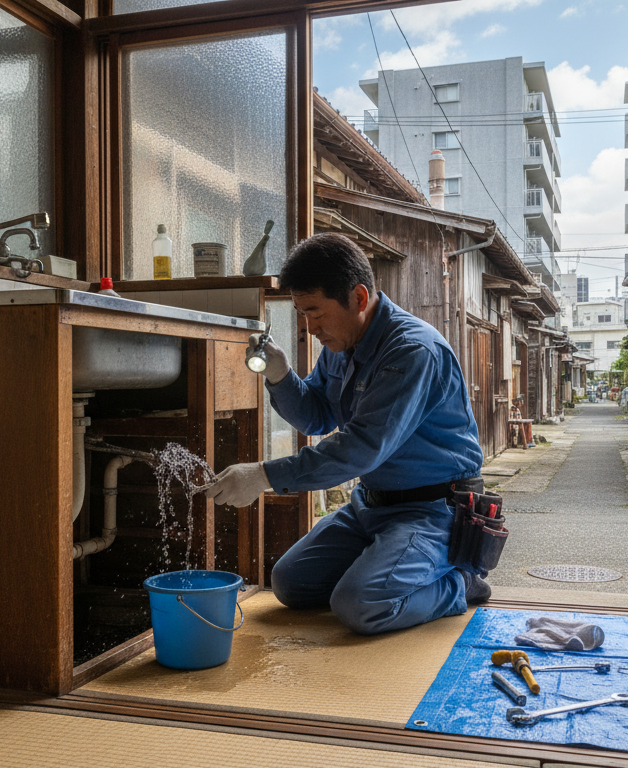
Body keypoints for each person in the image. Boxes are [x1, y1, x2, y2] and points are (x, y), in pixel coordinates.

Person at [203, 233, 488, 635]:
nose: (310, 327)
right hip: (370, 507)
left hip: (433, 511)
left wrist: (263, 476)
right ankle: (388, 568)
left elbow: (360, 449)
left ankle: (459, 582)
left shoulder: (411, 351)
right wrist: (280, 374)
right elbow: (318, 417)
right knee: (290, 583)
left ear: (357, 297)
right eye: (302, 314)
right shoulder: (341, 347)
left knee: (360, 606)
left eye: (316, 313)